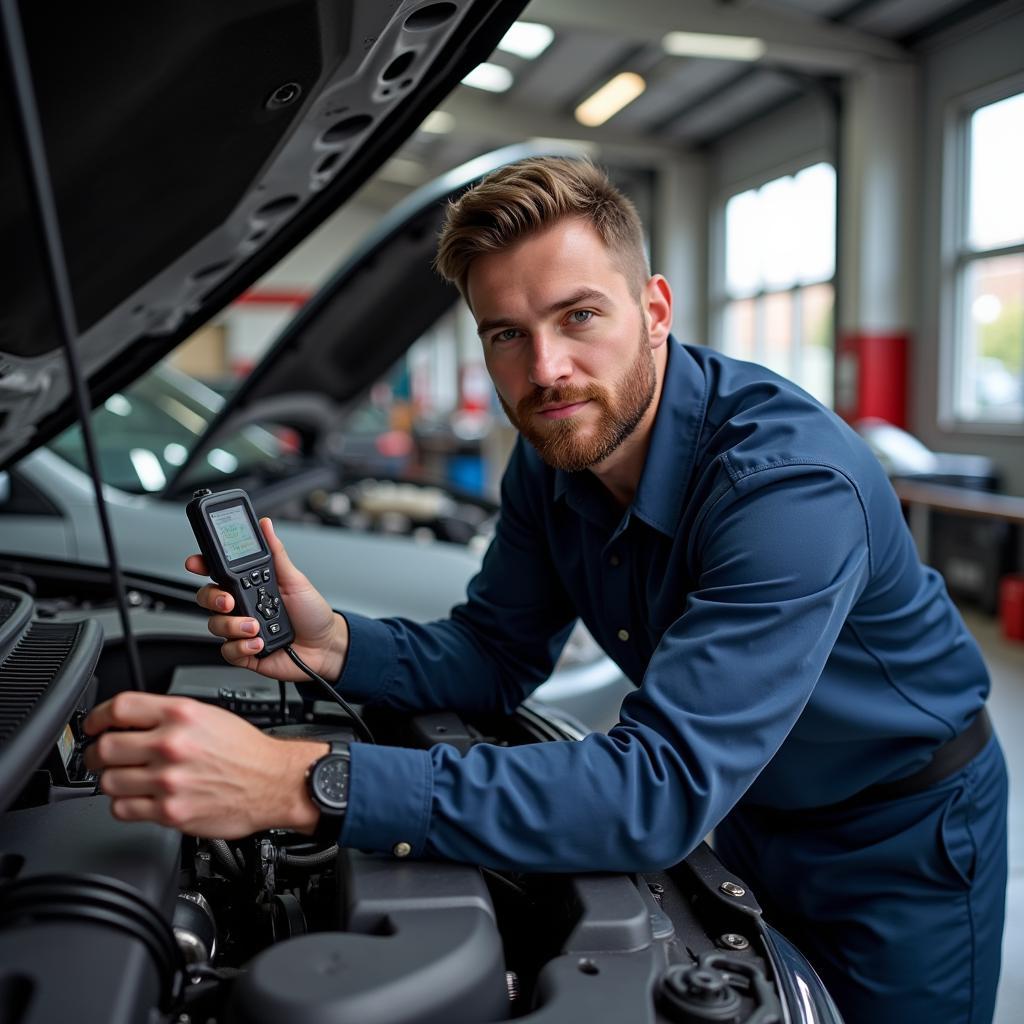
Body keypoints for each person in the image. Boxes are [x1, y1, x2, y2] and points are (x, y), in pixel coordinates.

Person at [84, 157, 1008, 1022]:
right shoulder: (555, 459)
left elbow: (657, 789)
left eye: (579, 317)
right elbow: (495, 654)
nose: (547, 369)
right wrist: (337, 645)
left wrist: (307, 782)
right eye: (506, 335)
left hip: (901, 836)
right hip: (752, 807)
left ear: (654, 309)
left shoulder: (786, 487)